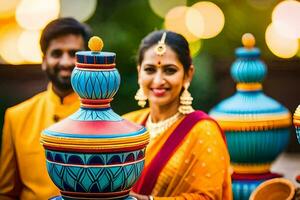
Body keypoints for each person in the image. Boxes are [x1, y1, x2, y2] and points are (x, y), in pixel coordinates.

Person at [123, 30, 232, 200]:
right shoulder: (127, 124)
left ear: (188, 74)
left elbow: (208, 197)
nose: (158, 81)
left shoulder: (203, 131)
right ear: (139, 72)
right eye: (150, 70)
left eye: (169, 70)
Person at [0, 17, 91, 200]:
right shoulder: (17, 117)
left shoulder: (106, 120)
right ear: (44, 60)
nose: (65, 62)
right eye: (57, 53)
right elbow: (6, 193)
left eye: (73, 53)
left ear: (87, 60)